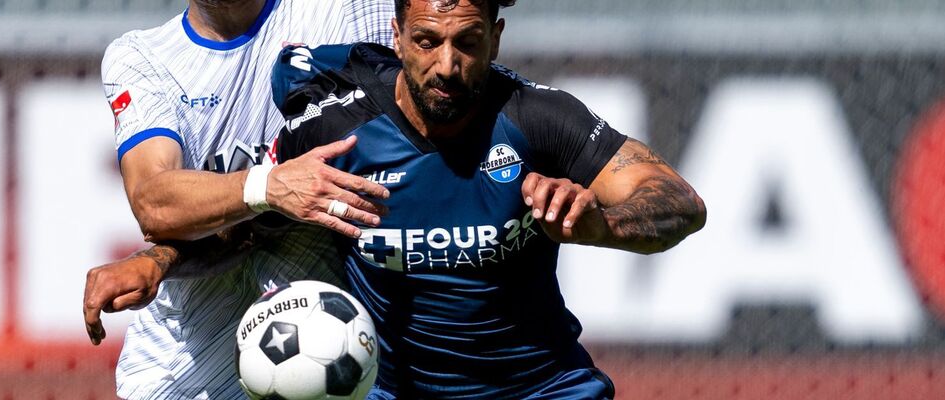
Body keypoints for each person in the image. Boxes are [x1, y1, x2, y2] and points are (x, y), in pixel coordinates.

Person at [266, 0, 705, 397]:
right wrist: (257, 200)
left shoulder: (536, 117)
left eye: (468, 43)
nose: (447, 65)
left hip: (541, 389)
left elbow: (681, 202)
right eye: (426, 41)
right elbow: (239, 224)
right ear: (395, 37)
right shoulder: (332, 130)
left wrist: (601, 225)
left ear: (495, 39)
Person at [83, 0, 397, 398]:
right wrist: (270, 186)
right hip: (186, 370)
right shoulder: (143, 57)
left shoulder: (344, 12)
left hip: (336, 354)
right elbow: (154, 203)